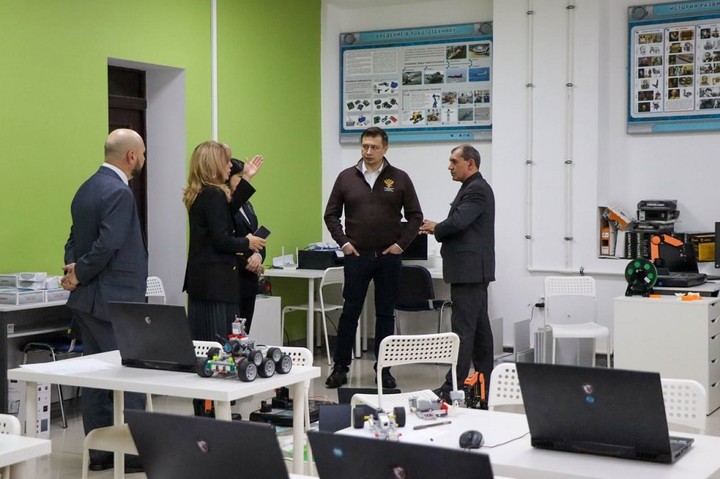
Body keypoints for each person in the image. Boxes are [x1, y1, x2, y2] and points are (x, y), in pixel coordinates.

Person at [61, 128, 148, 472]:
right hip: (116, 300)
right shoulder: (119, 192)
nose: (143, 159)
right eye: (143, 154)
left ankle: (99, 453)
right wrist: (80, 273)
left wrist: (72, 269)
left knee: (96, 380)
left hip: (87, 301)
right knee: (130, 376)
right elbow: (108, 245)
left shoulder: (86, 188)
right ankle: (132, 453)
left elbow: (74, 238)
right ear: (131, 156)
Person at [324, 126, 423, 389]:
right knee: (350, 312)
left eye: (374, 147)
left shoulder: (399, 178)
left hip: (388, 258)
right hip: (357, 256)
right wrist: (343, 242)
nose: (368, 151)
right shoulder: (346, 177)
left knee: (385, 314)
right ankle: (340, 368)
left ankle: (384, 369)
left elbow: (415, 216)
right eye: (365, 146)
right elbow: (331, 215)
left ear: (385, 149)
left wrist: (401, 245)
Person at [419, 144, 495, 404]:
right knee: (479, 330)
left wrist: (436, 227)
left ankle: (454, 385)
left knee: (462, 331)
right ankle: (485, 382)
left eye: (454, 161)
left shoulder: (476, 189)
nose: (449, 166)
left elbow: (459, 221)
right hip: (471, 272)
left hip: (469, 272)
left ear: (470, 163)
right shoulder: (473, 187)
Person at [182, 141, 266, 341]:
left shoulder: (202, 193)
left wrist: (246, 178)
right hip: (217, 283)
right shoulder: (215, 194)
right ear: (214, 164)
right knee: (219, 341)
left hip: (203, 281)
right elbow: (221, 239)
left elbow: (228, 209)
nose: (230, 165)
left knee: (203, 339)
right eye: (227, 161)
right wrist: (247, 242)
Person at [228, 157, 266, 333]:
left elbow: (257, 236)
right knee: (232, 331)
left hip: (250, 279)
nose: (244, 181)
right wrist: (248, 263)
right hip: (235, 276)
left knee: (245, 331)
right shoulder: (226, 206)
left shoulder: (248, 205)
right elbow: (226, 241)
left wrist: (258, 256)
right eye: (240, 177)